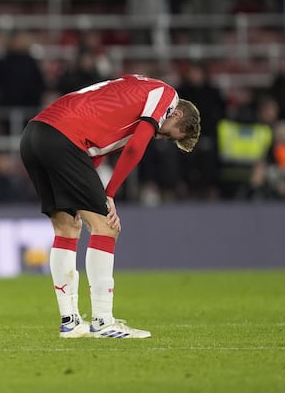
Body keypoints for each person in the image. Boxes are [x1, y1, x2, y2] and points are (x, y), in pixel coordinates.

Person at [19, 75, 201, 338]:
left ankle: (70, 322)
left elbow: (91, 151)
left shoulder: (135, 91)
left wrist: (89, 194)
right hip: (64, 138)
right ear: (177, 113)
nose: (161, 138)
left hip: (35, 134)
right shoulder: (166, 96)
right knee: (106, 227)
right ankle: (103, 321)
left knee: (67, 227)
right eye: (170, 135)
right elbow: (135, 148)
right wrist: (109, 194)